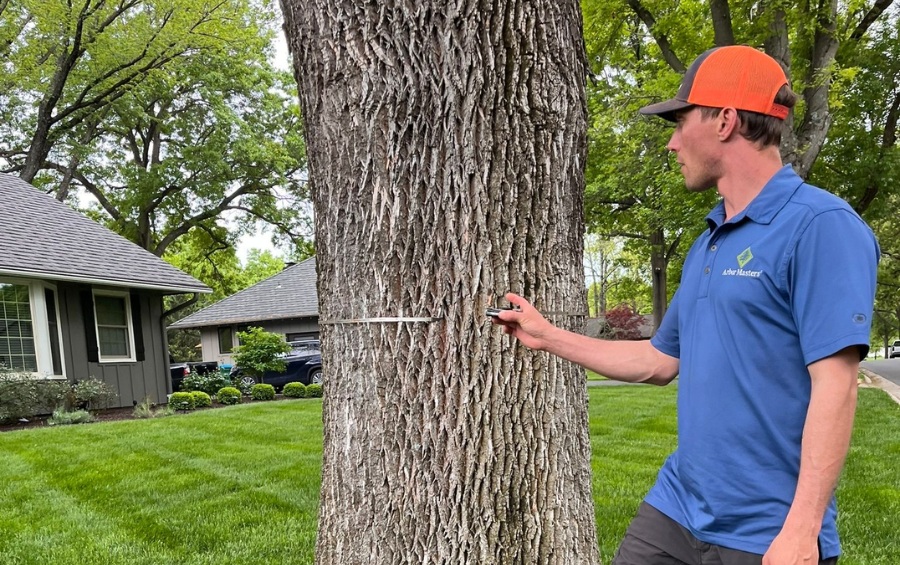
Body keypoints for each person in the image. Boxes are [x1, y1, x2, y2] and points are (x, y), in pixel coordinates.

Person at [492, 45, 879, 565]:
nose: (672, 143)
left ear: (725, 120)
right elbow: (659, 360)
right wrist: (547, 336)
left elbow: (837, 384)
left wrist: (801, 530)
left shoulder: (820, 226)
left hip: (767, 528)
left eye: (680, 122)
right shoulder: (710, 241)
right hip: (677, 509)